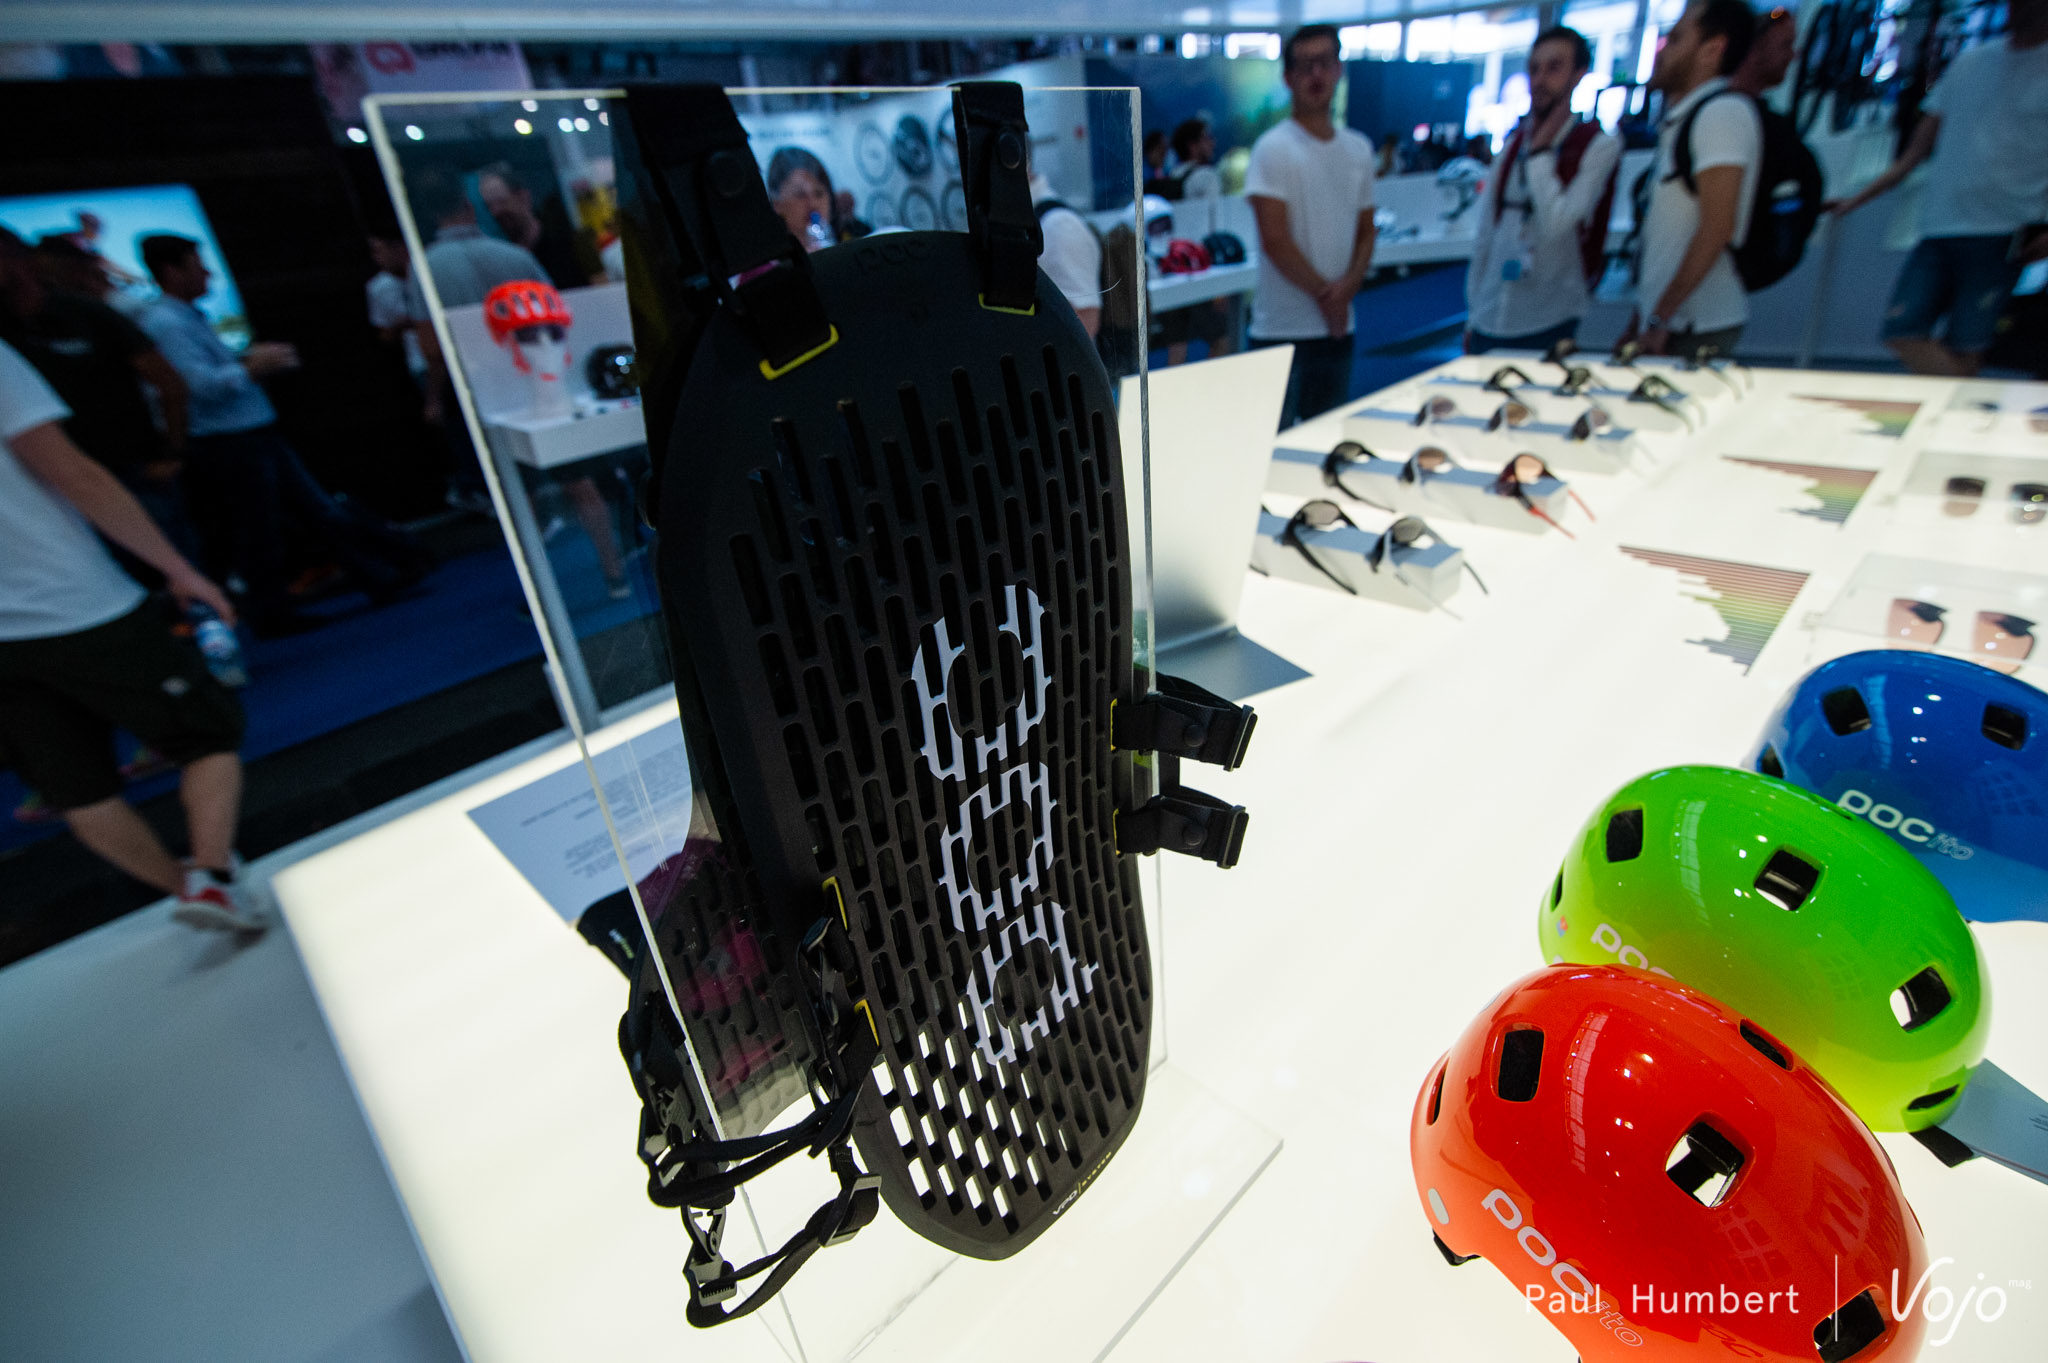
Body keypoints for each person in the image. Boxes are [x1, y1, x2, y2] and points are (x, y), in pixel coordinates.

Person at [0, 338, 263, 933]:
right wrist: (180, 570)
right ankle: (211, 878)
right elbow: (73, 472)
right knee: (208, 734)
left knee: (77, 789)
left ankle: (188, 888)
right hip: (76, 604)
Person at [139, 233, 426, 635]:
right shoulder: (167, 323)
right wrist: (252, 367)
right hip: (230, 440)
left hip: (249, 433)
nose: (207, 273)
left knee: (312, 512)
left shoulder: (185, 317)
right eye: (197, 265)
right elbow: (197, 386)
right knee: (263, 527)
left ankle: (377, 576)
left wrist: (247, 363)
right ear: (172, 271)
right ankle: (276, 612)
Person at [407, 167, 631, 597]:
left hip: (484, 392)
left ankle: (542, 591)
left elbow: (431, 347)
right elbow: (559, 318)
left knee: (517, 497)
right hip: (536, 386)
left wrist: (436, 395)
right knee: (576, 482)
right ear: (469, 206)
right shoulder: (511, 257)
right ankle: (614, 573)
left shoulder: (428, 266)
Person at [1830, 0, 2048, 375]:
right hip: (1941, 224)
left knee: (1969, 343)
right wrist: (1854, 200)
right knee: (1903, 331)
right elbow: (1915, 152)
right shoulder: (1970, 63)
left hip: (2004, 230)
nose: (2015, 10)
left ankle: (1962, 403)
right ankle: (1969, 399)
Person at [0, 228, 200, 564]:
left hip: (135, 471)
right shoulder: (6, 335)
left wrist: (172, 452)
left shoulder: (87, 313)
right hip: (59, 487)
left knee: (174, 568)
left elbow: (169, 382)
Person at [1245, 23, 1379, 427]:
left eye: (1324, 62)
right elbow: (1274, 239)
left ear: (1339, 69)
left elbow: (1366, 230)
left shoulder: (1359, 149)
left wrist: (1347, 288)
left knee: (1329, 437)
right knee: (1272, 444)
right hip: (1280, 328)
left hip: (1337, 330)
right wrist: (1330, 298)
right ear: (1289, 78)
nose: (1316, 74)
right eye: (1305, 66)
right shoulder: (1272, 149)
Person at [1464, 26, 1623, 355]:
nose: (1540, 80)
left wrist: (1540, 153)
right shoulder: (1512, 146)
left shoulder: (1597, 146)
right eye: (1534, 69)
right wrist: (1473, 312)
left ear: (1578, 74)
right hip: (1490, 314)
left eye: (1554, 68)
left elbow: (1557, 223)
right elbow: (1487, 234)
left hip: (1549, 318)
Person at [1631, 0, 1760, 361]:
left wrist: (1660, 317)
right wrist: (1643, 318)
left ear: (1712, 50)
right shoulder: (1684, 119)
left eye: (1675, 40)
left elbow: (1716, 228)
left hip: (1695, 329)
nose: (1661, 50)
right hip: (1670, 325)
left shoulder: (1721, 115)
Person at [475, 162, 604, 289]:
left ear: (523, 197)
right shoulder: (506, 262)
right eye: (489, 206)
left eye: (501, 202)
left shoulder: (568, 243)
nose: (496, 211)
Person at [766, 147, 867, 249]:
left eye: (818, 193)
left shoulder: (854, 237)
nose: (812, 203)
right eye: (800, 195)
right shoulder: (772, 254)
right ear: (776, 204)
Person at [365, 230, 426, 384]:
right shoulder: (377, 287)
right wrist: (400, 326)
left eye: (379, 250)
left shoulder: (426, 273)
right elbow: (384, 334)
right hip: (420, 362)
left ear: (399, 247)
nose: (377, 258)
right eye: (374, 252)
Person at [1730, 6, 1797, 96]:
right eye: (1785, 45)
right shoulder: (1730, 101)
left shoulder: (1739, 99)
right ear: (1755, 48)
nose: (1793, 55)